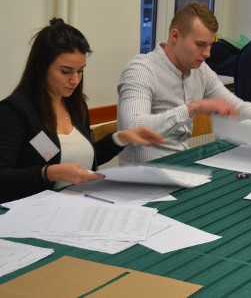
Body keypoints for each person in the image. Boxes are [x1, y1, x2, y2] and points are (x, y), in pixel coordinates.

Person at [0, 19, 164, 203]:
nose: (75, 80)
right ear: (41, 68)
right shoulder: (14, 112)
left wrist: (121, 138)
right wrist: (49, 173)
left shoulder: (76, 106)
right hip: (28, 212)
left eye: (80, 71)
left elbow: (86, 158)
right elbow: (3, 177)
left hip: (76, 206)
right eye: (66, 71)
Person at [117, 2, 251, 165]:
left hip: (181, 168)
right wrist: (193, 107)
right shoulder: (141, 69)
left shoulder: (200, 70)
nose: (208, 53)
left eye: (211, 45)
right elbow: (132, 127)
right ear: (175, 36)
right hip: (143, 179)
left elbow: (235, 106)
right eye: (201, 44)